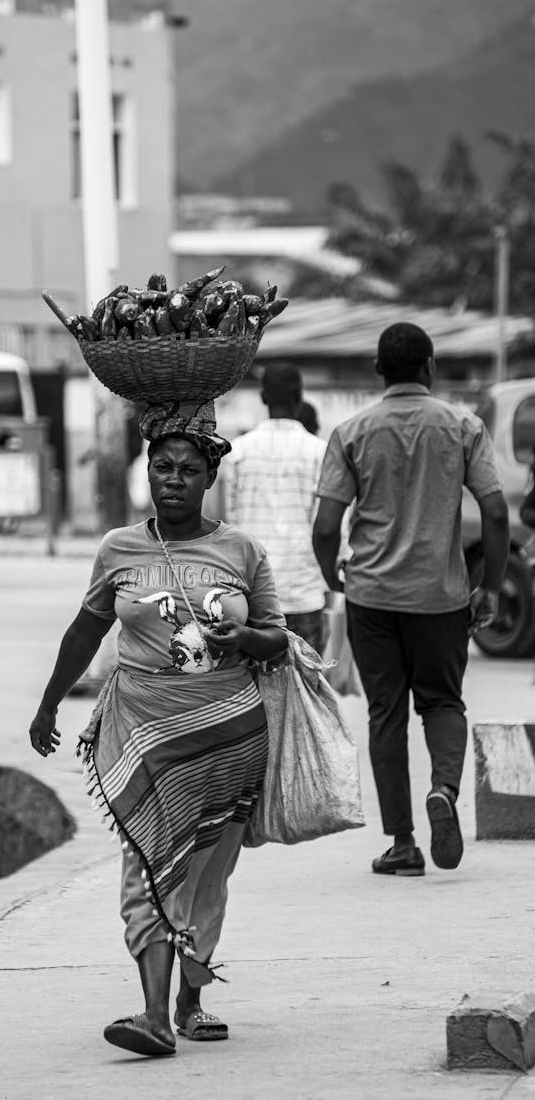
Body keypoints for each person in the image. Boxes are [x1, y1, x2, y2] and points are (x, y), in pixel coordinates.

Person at [29, 400, 288, 1058]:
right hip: (146, 740)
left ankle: (190, 1000)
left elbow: (280, 642)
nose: (173, 478)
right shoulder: (119, 548)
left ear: (209, 477)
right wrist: (49, 702)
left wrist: (246, 635)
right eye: (162, 465)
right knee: (146, 869)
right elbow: (86, 630)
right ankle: (151, 1013)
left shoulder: (242, 550)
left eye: (188, 469)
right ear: (147, 470)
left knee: (204, 879)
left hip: (228, 744)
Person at [312, 321, 510, 877]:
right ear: (430, 367)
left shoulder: (352, 432)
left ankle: (403, 844)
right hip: (441, 597)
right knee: (443, 703)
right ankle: (443, 789)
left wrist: (333, 574)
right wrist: (489, 587)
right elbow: (495, 512)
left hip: (372, 596)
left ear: (379, 371)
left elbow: (327, 524)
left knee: (386, 715)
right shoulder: (463, 426)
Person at [227, 363, 330, 654]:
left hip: (250, 596)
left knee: (255, 690)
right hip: (304, 593)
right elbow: (330, 527)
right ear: (300, 396)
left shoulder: (238, 452)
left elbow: (228, 526)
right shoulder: (319, 453)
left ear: (263, 398)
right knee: (307, 689)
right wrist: (331, 582)